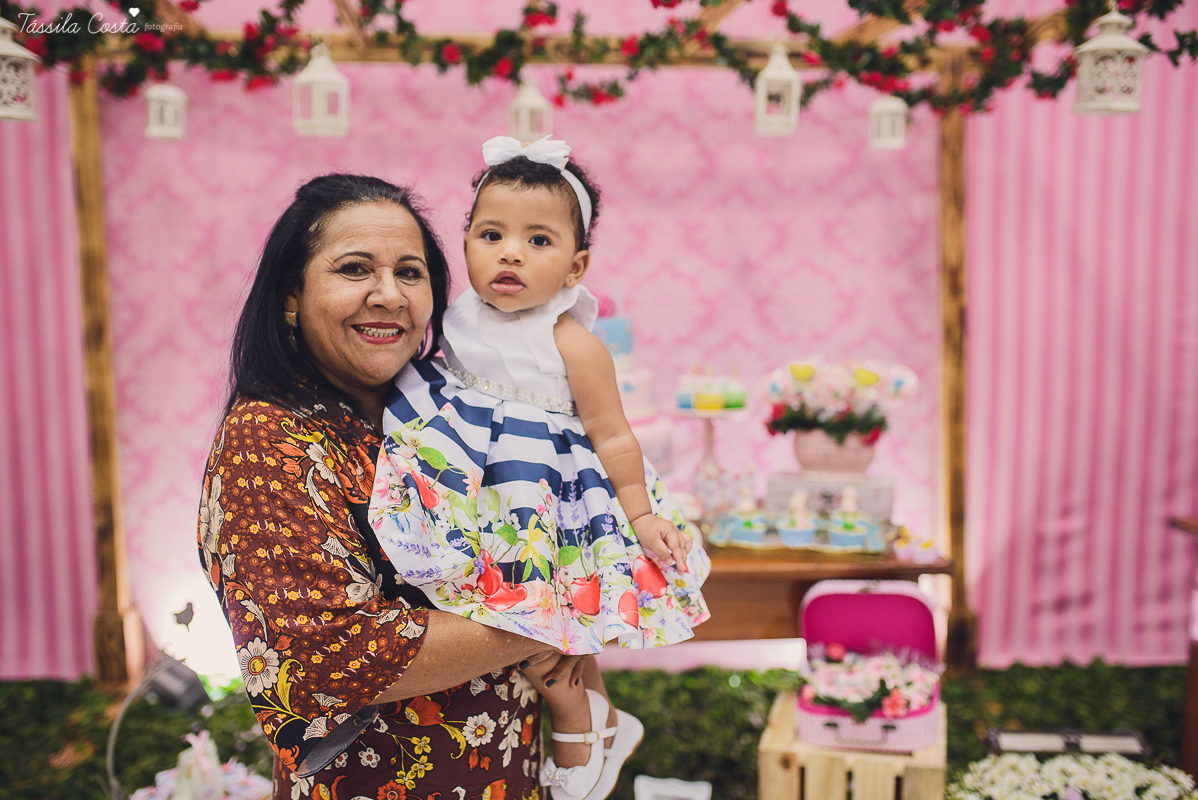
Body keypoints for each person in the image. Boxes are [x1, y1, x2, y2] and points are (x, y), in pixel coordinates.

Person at [200, 174, 580, 800]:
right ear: (292, 292)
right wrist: (561, 614)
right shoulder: (268, 438)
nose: (389, 295)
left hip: (511, 774)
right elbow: (335, 651)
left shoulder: (451, 410)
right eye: (355, 269)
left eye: (410, 273)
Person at [369, 137, 711, 800]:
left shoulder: (572, 342)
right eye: (491, 234)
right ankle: (599, 719)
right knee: (493, 606)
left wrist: (641, 514)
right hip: (474, 487)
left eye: (538, 240)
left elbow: (613, 434)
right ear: (464, 242)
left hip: (541, 495)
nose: (511, 253)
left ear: (576, 266)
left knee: (557, 608)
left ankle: (580, 713)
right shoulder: (452, 317)